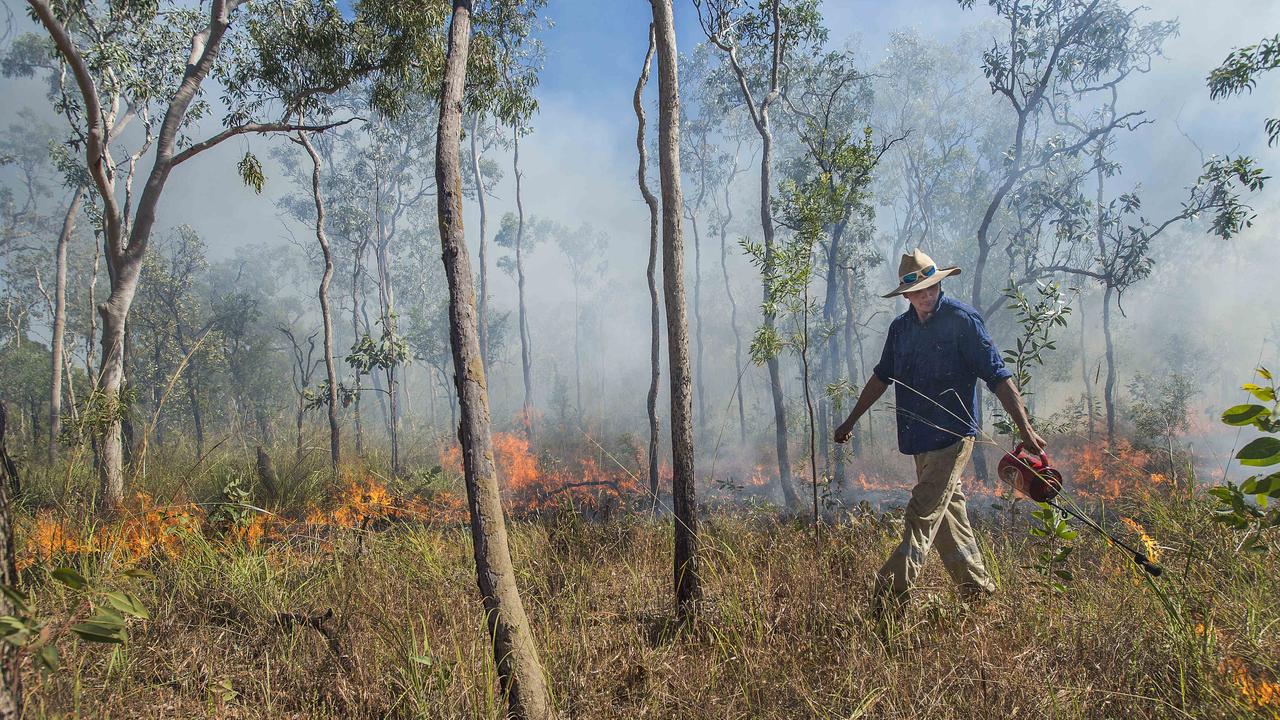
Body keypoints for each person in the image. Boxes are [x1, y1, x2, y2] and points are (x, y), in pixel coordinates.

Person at [834, 248, 1045, 612]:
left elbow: (998, 375)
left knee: (922, 513)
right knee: (949, 519)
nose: (927, 296)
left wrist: (1024, 427)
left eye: (933, 288)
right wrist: (850, 420)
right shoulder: (900, 330)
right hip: (918, 438)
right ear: (907, 295)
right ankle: (978, 592)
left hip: (953, 436)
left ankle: (887, 599)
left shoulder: (963, 320)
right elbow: (882, 377)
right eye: (919, 291)